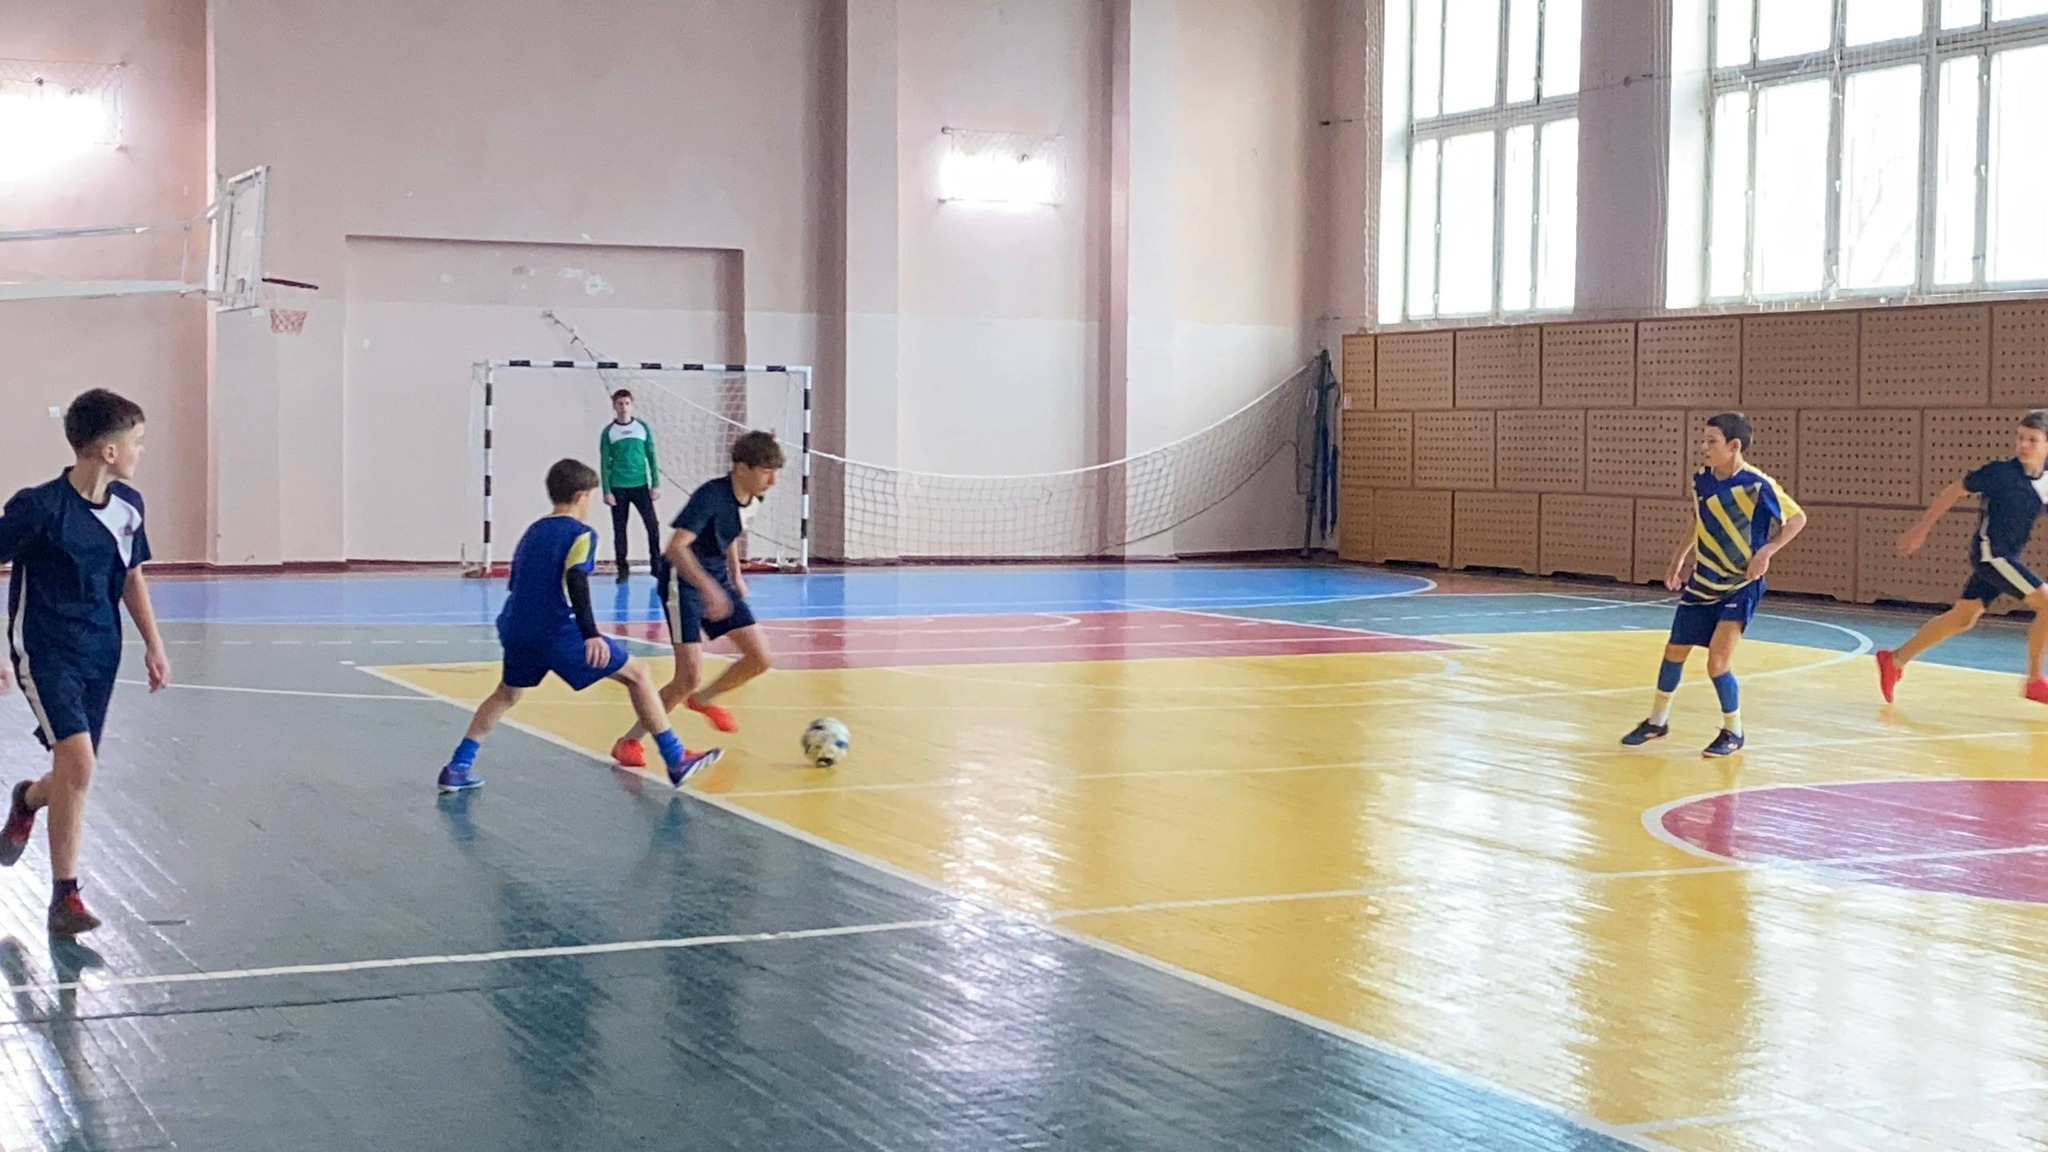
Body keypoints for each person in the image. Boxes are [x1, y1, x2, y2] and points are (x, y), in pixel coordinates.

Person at [439, 458, 720, 793]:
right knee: (639, 675)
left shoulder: (534, 530)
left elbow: (519, 582)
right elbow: (576, 579)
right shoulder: (581, 533)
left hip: (516, 626)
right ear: (581, 496)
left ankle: (458, 766)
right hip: (555, 630)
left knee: (506, 693)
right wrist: (590, 634)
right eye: (591, 498)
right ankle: (675, 757)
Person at [0, 388, 171, 936]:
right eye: (138, 441)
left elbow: (131, 577)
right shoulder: (37, 507)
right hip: (45, 650)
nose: (143, 451)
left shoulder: (129, 507)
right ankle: (64, 897)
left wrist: (154, 643)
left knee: (74, 770)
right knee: (81, 766)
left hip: (101, 651)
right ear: (109, 451)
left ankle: (28, 800)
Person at [1620, 412, 1807, 758]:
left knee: (1717, 662)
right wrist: (1678, 558)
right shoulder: (1701, 480)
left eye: (1712, 441)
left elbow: (1797, 518)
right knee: (1674, 651)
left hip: (1740, 584)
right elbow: (1699, 520)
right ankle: (1657, 722)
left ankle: (1733, 731)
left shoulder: (1757, 484)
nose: (1704, 447)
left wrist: (1767, 551)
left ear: (1734, 446)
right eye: (1703, 440)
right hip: (1704, 579)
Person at [611, 432, 782, 768]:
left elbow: (729, 534)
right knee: (687, 677)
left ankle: (703, 700)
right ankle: (629, 741)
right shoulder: (710, 496)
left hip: (716, 579)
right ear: (742, 468)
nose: (772, 481)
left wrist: (735, 576)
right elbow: (675, 548)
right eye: (766, 471)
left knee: (760, 658)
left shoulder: (753, 498)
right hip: (684, 582)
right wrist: (707, 588)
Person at [1876, 409, 2048, 705]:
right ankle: (2034, 680)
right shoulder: (2000, 473)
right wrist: (1921, 529)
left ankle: (1895, 659)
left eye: (2032, 440)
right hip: (1991, 555)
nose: (2023, 445)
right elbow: (1953, 491)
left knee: (1962, 618)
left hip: (2008, 557)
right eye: (2020, 437)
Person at [599, 389, 662, 583]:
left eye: (627, 403)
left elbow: (651, 457)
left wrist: (655, 483)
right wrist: (607, 490)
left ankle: (657, 566)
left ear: (632, 405)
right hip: (618, 487)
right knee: (620, 529)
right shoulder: (609, 432)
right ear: (614, 406)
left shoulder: (642, 428)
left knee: (652, 525)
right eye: (620, 404)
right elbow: (604, 463)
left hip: (641, 486)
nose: (624, 407)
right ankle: (622, 568)